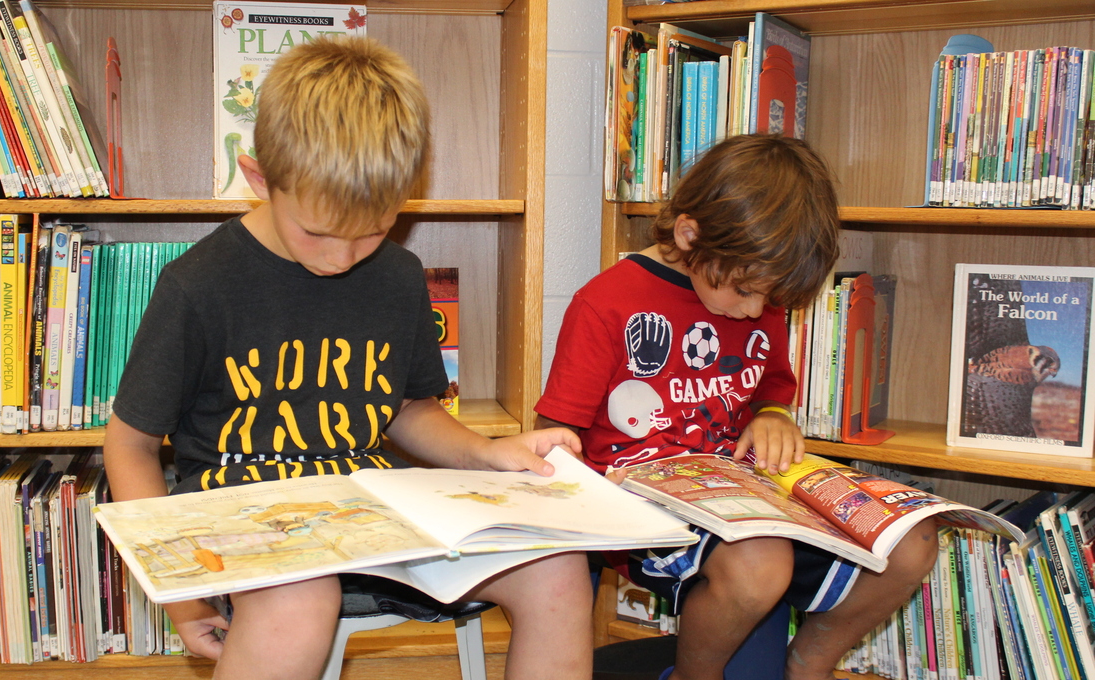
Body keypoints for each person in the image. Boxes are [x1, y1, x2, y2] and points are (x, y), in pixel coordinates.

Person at [103, 36, 592, 680]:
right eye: (318, 232)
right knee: (301, 597)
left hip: (376, 519)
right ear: (259, 180)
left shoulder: (398, 276)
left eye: (373, 230)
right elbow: (131, 444)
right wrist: (183, 594)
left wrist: (487, 452)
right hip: (245, 527)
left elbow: (407, 407)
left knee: (557, 572)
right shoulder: (199, 285)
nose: (340, 258)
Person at [535, 134, 938, 680]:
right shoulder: (607, 304)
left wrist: (773, 416)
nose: (754, 312)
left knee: (911, 543)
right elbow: (555, 433)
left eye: (769, 299)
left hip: (748, 490)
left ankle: (809, 662)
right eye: (746, 292)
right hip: (643, 502)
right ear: (689, 233)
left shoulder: (755, 288)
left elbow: (772, 387)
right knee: (760, 563)